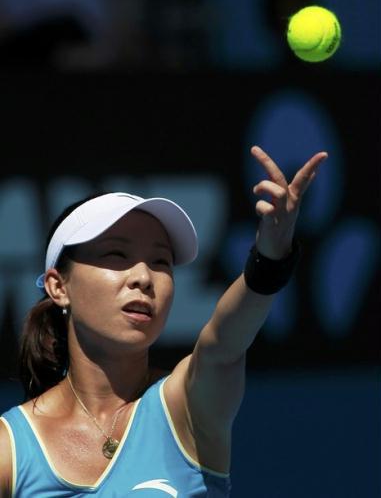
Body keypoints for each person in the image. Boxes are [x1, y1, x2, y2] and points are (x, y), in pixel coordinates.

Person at [0, 146, 327, 497]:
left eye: (160, 261)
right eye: (117, 254)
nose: (143, 276)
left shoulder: (188, 404)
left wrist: (271, 257)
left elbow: (225, 343)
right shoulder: (9, 450)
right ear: (58, 286)